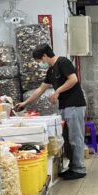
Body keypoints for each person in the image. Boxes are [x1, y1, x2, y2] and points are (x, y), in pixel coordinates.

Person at [17, 44, 86, 181]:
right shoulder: (51, 70)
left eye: (39, 60)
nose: (40, 63)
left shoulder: (63, 62)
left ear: (44, 56)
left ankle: (79, 169)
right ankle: (73, 167)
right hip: (64, 106)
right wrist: (25, 103)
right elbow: (40, 89)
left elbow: (73, 79)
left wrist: (57, 91)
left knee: (75, 138)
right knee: (67, 139)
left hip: (74, 105)